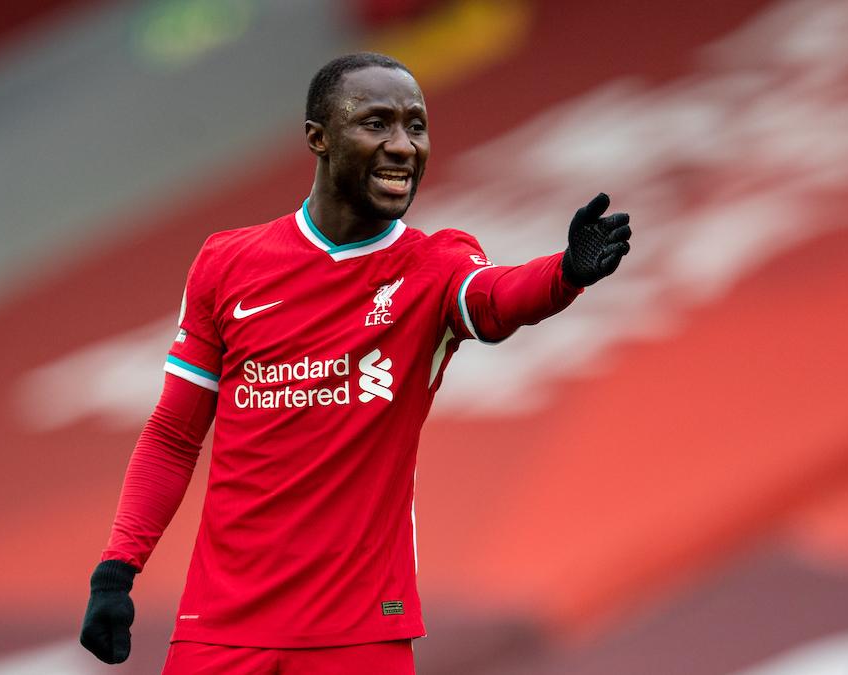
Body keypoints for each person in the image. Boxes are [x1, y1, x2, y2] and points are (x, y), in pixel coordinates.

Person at [80, 51, 631, 675]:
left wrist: (564, 274)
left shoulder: (435, 264)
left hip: (360, 636)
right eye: (376, 123)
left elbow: (496, 299)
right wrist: (117, 569)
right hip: (221, 630)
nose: (403, 146)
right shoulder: (226, 263)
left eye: (416, 126)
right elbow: (174, 435)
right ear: (319, 138)